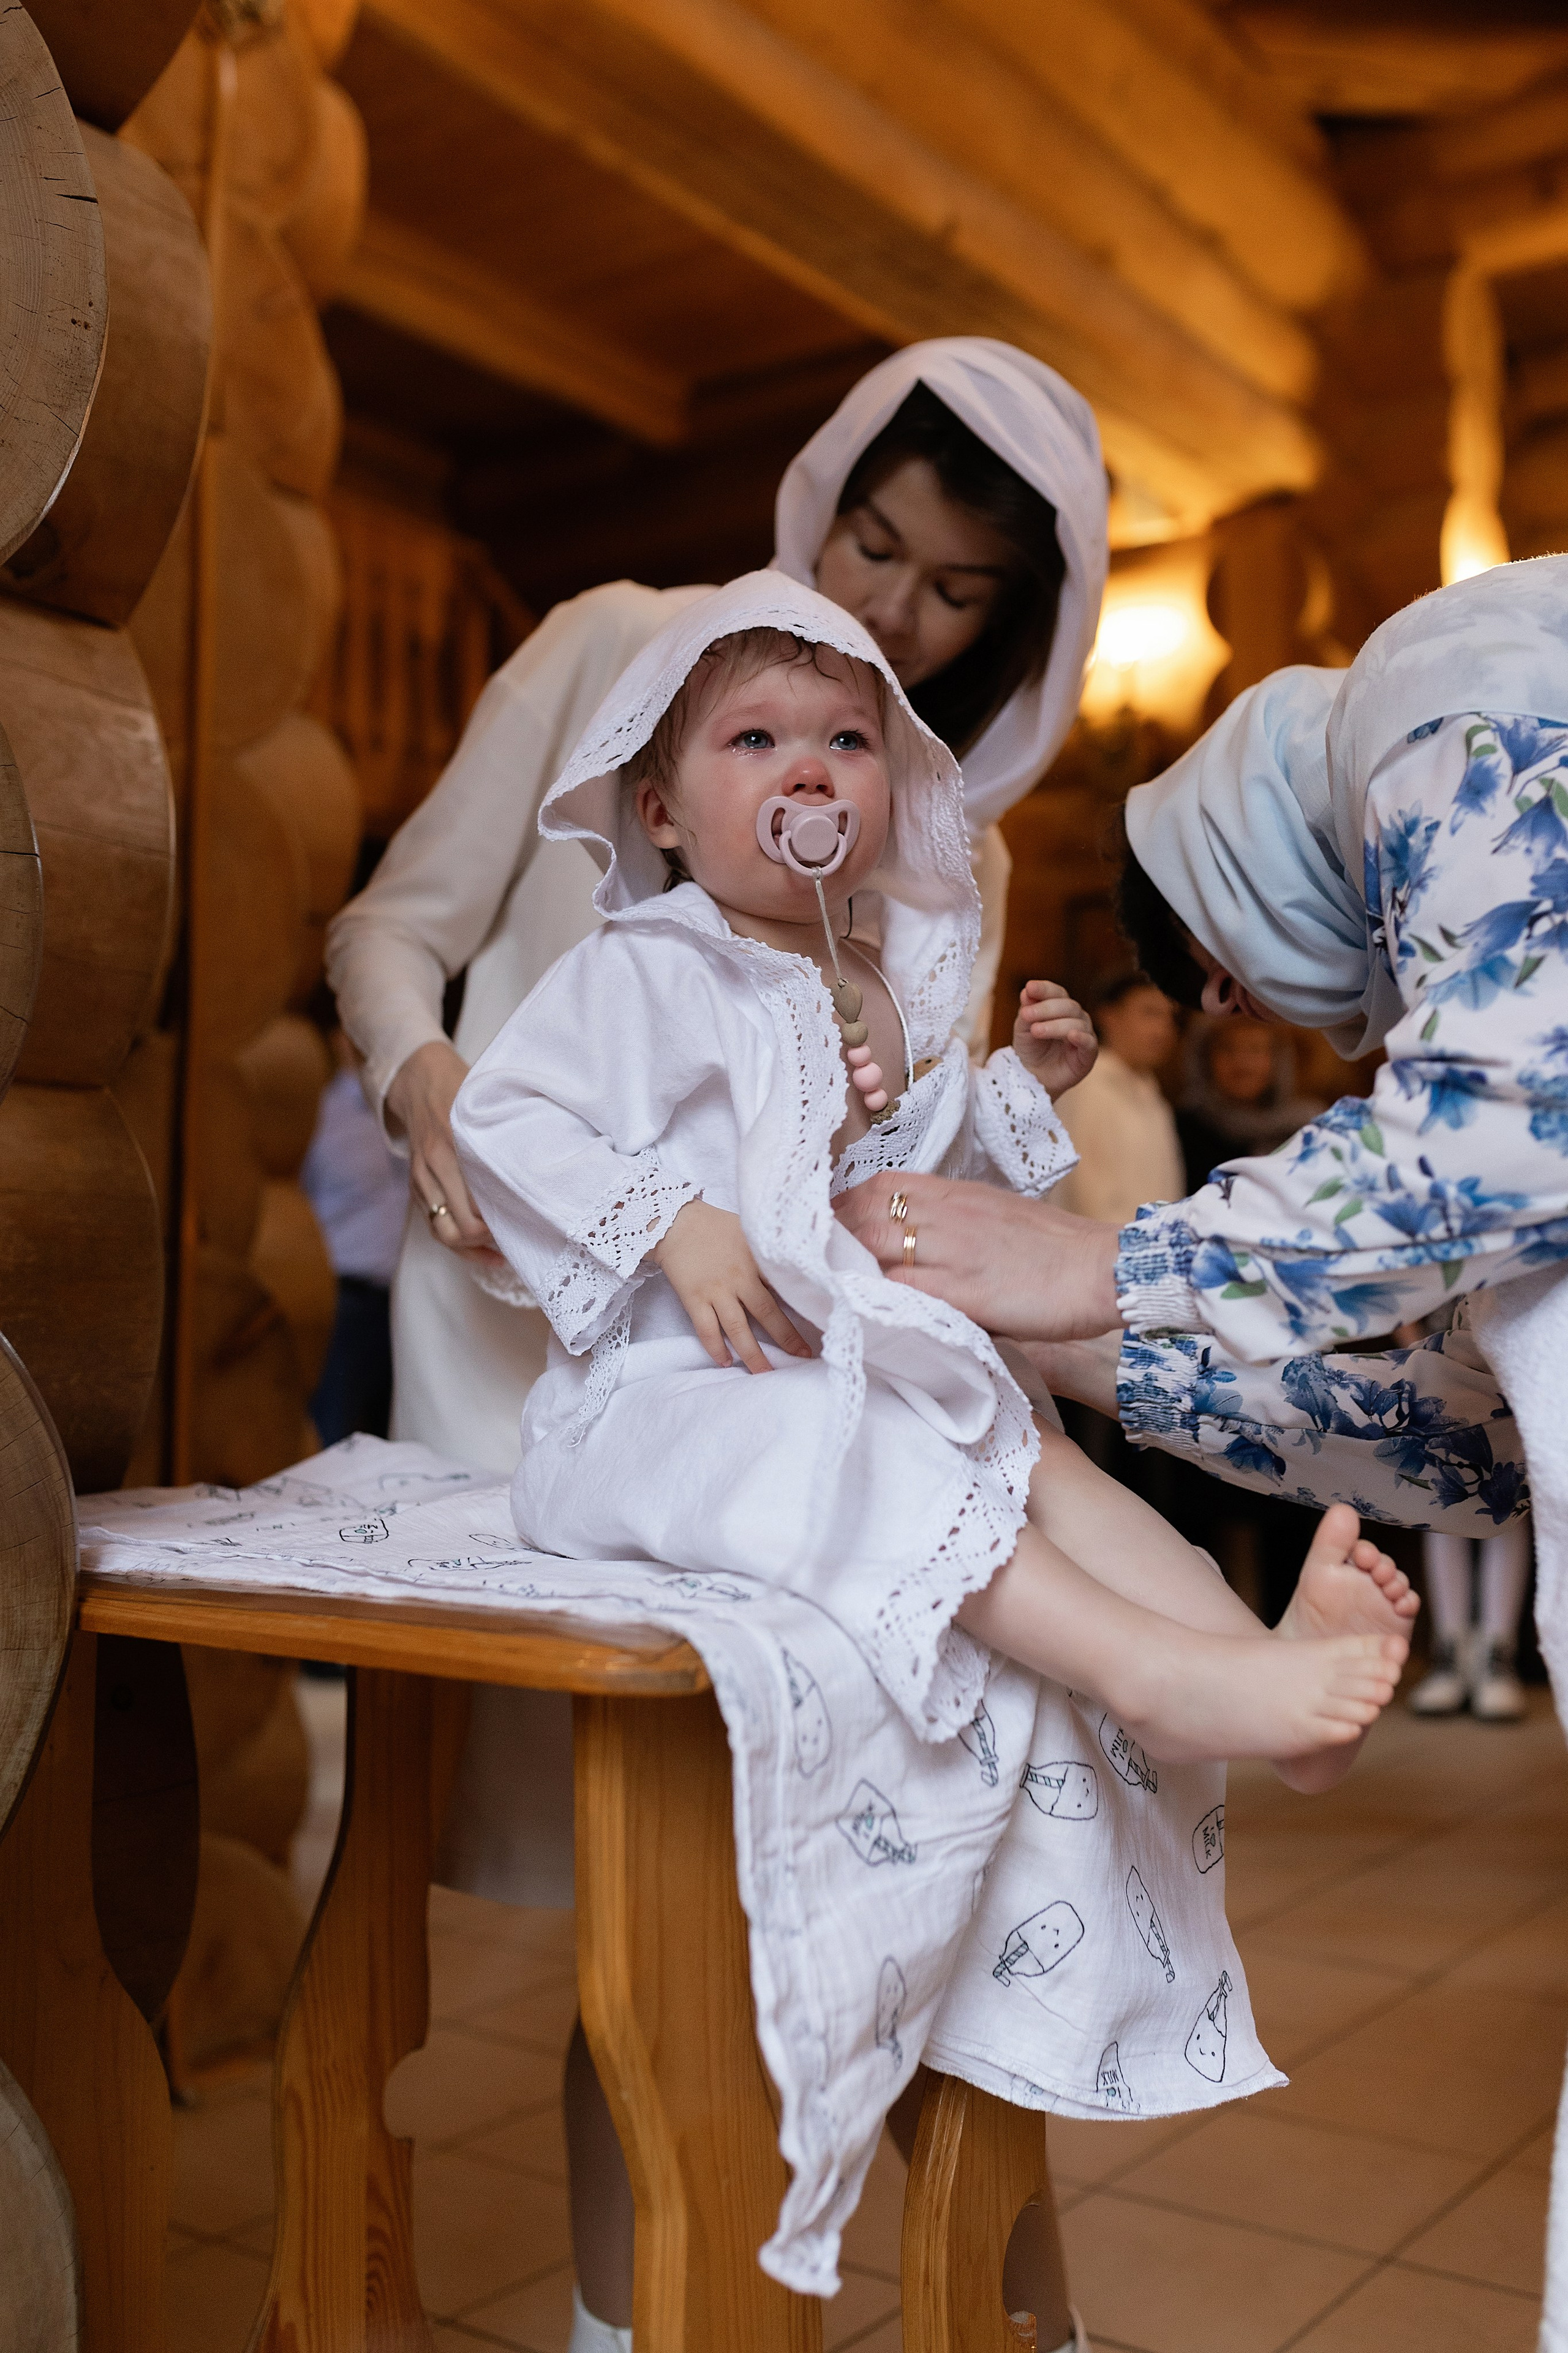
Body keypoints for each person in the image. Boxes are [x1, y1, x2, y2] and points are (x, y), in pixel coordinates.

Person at [453, 575, 1414, 2352]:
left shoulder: (875, 975)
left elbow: (917, 1186)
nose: (806, 772)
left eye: (844, 740)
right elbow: (505, 1120)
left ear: (891, 783)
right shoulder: (639, 967)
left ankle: (1236, 1666)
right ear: (664, 808)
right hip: (684, 1396)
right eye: (753, 742)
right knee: (912, 1465)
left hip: (856, 1365)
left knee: (1049, 1463)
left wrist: (1018, 1093)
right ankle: (1160, 1668)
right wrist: (671, 1221)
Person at [326, 341, 1109, 2351]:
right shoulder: (615, 642)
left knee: (858, 1838)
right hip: (526, 1337)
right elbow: (389, 928)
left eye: (957, 597)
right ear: (820, 492)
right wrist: (427, 1087)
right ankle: (625, 2319)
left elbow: (899, 1158)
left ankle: (969, 2302)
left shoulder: (931, 826)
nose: (900, 612)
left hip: (765, 1377)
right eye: (878, 545)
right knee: (631, 1883)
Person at [834, 557, 1568, 2336]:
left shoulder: (1430, 682)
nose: (1297, 1025)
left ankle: (1204, 1677)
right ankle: (1214, 1674)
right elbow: (1479, 1442)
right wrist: (1102, 1357)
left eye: (1241, 977)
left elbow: (1504, 1115)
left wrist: (1106, 1259)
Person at [1051, 973, 1183, 1228]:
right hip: (1099, 1248)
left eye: (1170, 1018)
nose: (1164, 1029)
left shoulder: (1151, 1092)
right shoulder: (1087, 1086)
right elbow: (1086, 1190)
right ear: (1110, 1017)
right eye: (1150, 1013)